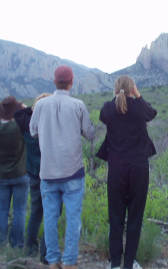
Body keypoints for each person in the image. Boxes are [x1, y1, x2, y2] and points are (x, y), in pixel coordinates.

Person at [29, 65, 96, 269]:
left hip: (48, 172)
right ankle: (69, 262)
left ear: (54, 82)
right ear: (72, 82)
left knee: (50, 218)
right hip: (73, 171)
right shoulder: (78, 105)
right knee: (73, 219)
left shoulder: (41, 106)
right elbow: (90, 134)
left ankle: (53, 260)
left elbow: (32, 131)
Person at [96, 75, 157, 269]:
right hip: (139, 167)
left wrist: (119, 95)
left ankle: (115, 263)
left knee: (115, 215)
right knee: (135, 216)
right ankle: (129, 263)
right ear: (133, 89)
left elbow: (104, 116)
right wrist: (138, 97)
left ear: (115, 89)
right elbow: (152, 113)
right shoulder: (140, 108)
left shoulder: (108, 108)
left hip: (116, 167)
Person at [13, 93, 51, 262]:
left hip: (34, 174)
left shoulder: (28, 126)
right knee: (51, 213)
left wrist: (32, 108)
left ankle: (30, 246)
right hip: (50, 175)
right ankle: (45, 250)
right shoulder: (50, 126)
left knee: (36, 211)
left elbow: (18, 113)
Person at [0, 96, 29, 249]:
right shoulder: (19, 127)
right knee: (19, 210)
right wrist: (22, 107)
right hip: (20, 174)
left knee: (2, 210)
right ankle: (17, 244)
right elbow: (30, 114)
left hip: (1, 176)